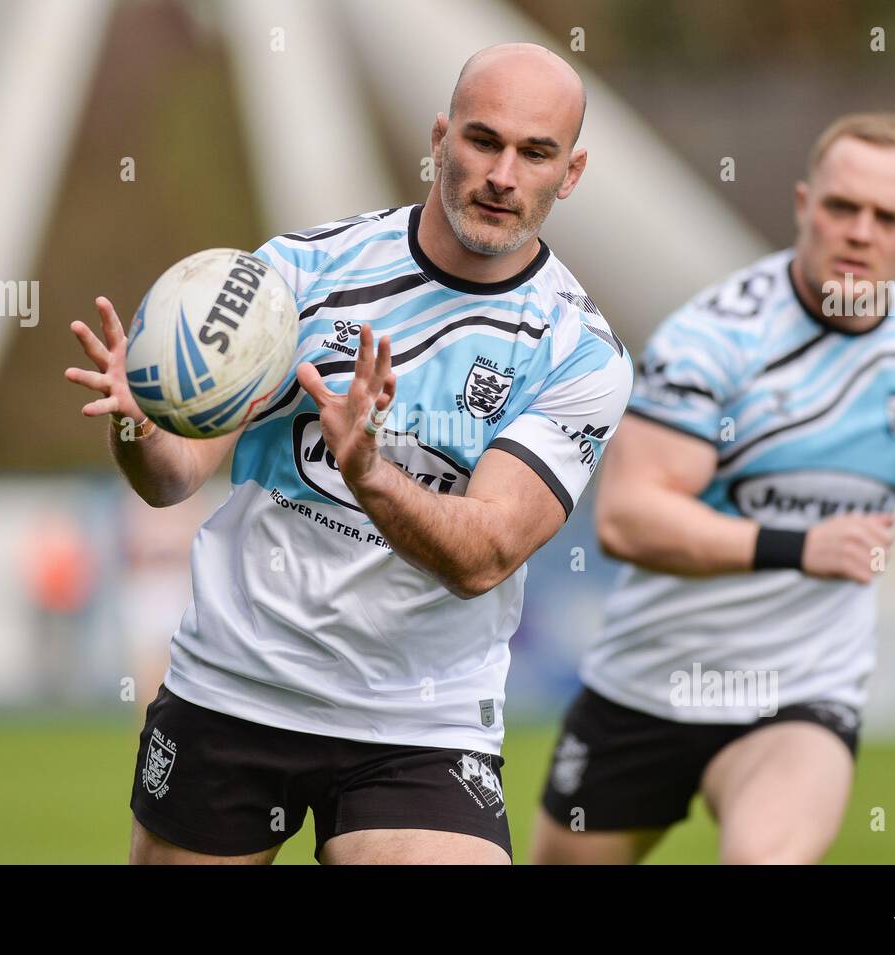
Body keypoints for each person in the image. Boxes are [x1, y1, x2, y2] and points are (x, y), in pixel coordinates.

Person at [65, 42, 633, 864]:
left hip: (421, 718)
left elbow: (484, 554)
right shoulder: (299, 273)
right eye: (483, 141)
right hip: (237, 682)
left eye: (534, 152)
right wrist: (139, 424)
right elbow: (174, 476)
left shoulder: (580, 353)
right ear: (440, 139)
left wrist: (369, 472)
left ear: (569, 172)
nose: (503, 174)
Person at [533, 113, 895, 864]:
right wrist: (800, 546)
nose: (861, 231)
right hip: (646, 684)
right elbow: (628, 518)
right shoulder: (714, 340)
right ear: (805, 204)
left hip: (800, 693)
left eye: (887, 216)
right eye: (842, 207)